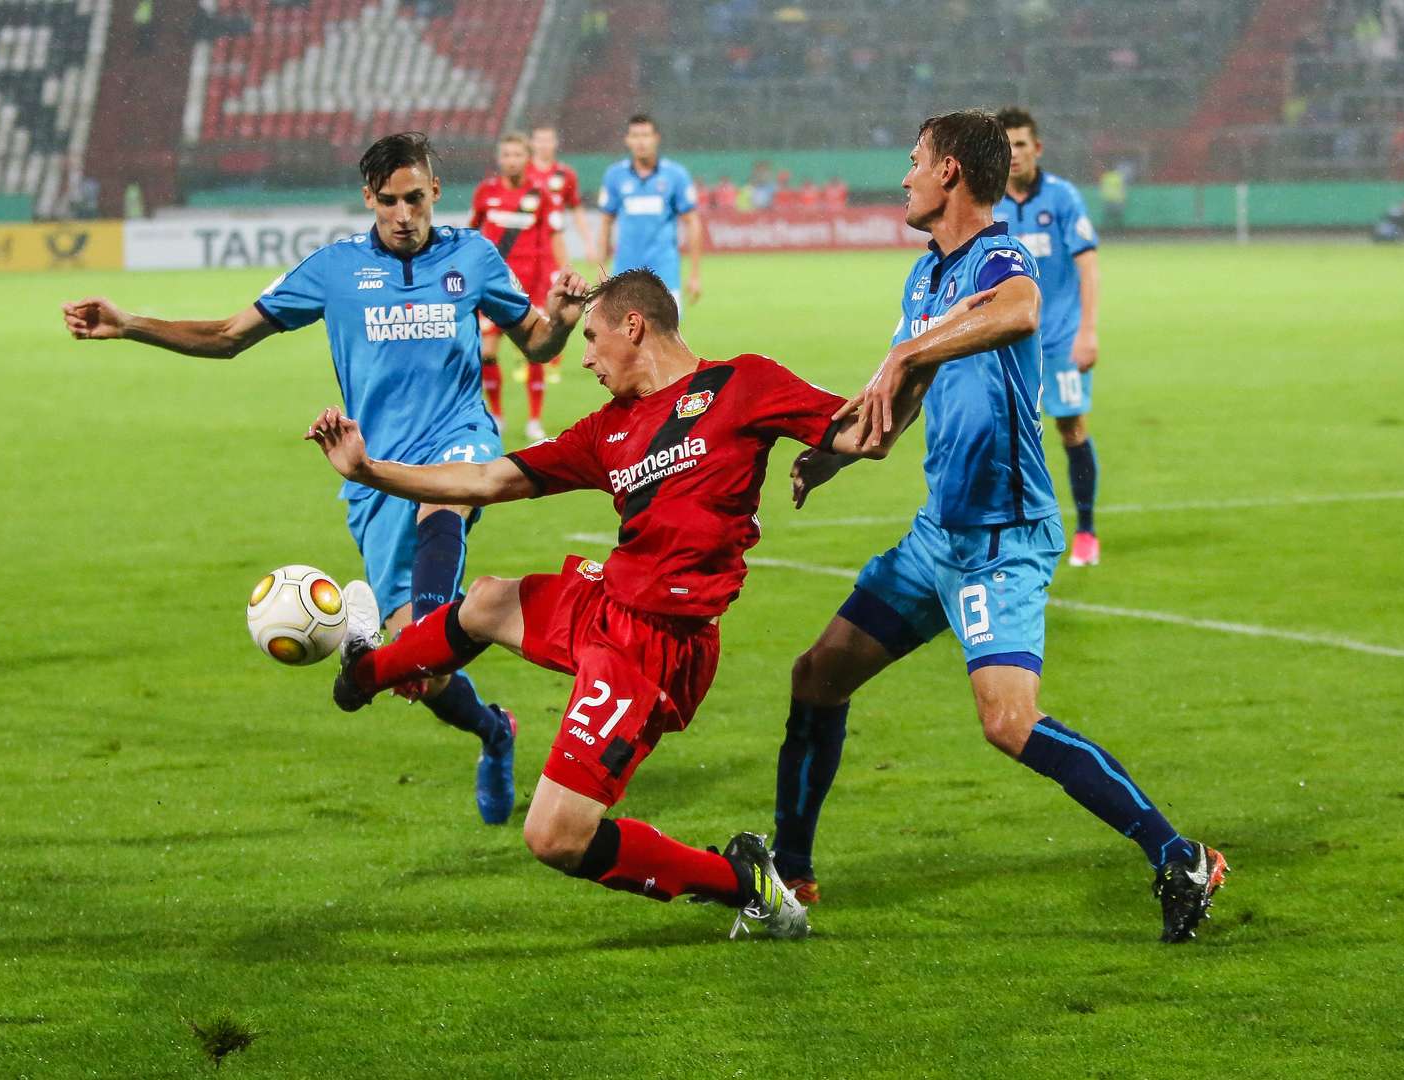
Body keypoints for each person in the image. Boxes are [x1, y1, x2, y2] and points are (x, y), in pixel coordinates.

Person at [305, 269, 923, 938]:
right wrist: (368, 471)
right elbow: (487, 478)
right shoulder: (609, 429)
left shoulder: (742, 385)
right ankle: (366, 672)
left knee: (554, 837)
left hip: (654, 648)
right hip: (609, 603)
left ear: (634, 327)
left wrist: (922, 356)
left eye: (592, 339)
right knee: (484, 602)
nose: (586, 358)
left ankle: (746, 881)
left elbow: (865, 433)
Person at [772, 110, 1227, 944]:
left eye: (914, 160)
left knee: (1009, 723)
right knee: (818, 676)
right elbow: (897, 405)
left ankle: (1180, 856)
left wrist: (910, 352)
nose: (903, 176)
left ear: (949, 171)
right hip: (937, 537)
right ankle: (788, 872)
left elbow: (1020, 312)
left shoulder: (999, 256)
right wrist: (836, 454)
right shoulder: (925, 277)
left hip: (1001, 540)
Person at [63, 133, 583, 825]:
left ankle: (418, 638)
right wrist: (130, 323)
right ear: (369, 198)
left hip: (457, 437)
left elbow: (538, 342)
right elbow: (228, 336)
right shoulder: (334, 270)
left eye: (416, 198)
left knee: (447, 501)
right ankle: (494, 730)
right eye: (390, 201)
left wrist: (563, 320)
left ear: (436, 191)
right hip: (370, 470)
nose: (405, 214)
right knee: (427, 677)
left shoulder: (473, 256)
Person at [992, 107, 1105, 566]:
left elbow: (1088, 266)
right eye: (1006, 147)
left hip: (1059, 341)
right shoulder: (987, 203)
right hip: (1007, 345)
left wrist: (1087, 331)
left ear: (1037, 148)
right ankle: (1017, 533)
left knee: (1071, 428)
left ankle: (1086, 531)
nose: (1014, 155)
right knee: (1005, 437)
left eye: (1021, 145)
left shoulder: (1062, 197)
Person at [470, 132, 567, 443]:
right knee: (486, 352)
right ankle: (497, 415)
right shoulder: (486, 192)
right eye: (506, 155)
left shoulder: (541, 195)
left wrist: (562, 272)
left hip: (530, 288)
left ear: (527, 158)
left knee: (534, 353)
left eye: (517, 154)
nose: (511, 160)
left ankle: (534, 420)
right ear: (499, 158)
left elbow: (553, 236)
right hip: (493, 288)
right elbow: (472, 232)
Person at [596, 115, 702, 307]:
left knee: (667, 327)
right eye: (635, 136)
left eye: (645, 135)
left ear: (656, 138)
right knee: (625, 326)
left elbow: (692, 222)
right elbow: (605, 224)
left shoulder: (675, 175)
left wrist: (695, 274)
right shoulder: (614, 175)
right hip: (624, 275)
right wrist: (602, 270)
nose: (641, 142)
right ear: (627, 140)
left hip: (665, 274)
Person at [527, 124, 598, 386]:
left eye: (548, 140)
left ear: (555, 143)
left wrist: (588, 242)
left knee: (556, 302)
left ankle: (553, 360)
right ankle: (526, 355)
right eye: (540, 140)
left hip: (553, 251)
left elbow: (576, 209)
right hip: (526, 251)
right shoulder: (524, 173)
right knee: (527, 303)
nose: (544, 145)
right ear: (532, 143)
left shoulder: (565, 174)